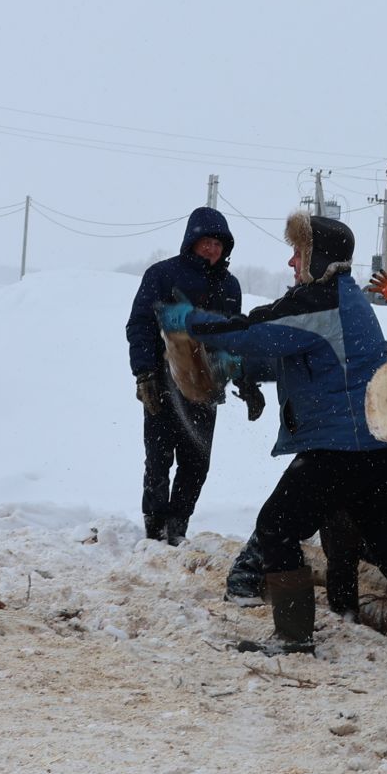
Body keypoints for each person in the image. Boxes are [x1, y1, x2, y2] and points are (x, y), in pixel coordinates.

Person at [166, 213, 387, 659]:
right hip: (373, 443)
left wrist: (192, 321)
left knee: (275, 528)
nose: (290, 261)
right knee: (382, 531)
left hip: (339, 446)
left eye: (298, 252)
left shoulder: (318, 302)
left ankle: (294, 637)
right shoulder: (340, 298)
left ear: (316, 257)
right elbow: (300, 350)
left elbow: (256, 332)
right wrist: (247, 372)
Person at [124, 206, 248, 545]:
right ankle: (155, 526)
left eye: (218, 244)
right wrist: (144, 374)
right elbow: (140, 325)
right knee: (159, 457)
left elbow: (232, 338)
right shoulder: (162, 275)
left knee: (196, 462)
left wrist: (241, 379)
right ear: (192, 241)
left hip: (205, 387)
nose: (212, 249)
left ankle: (178, 525)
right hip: (164, 382)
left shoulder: (230, 286)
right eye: (206, 241)